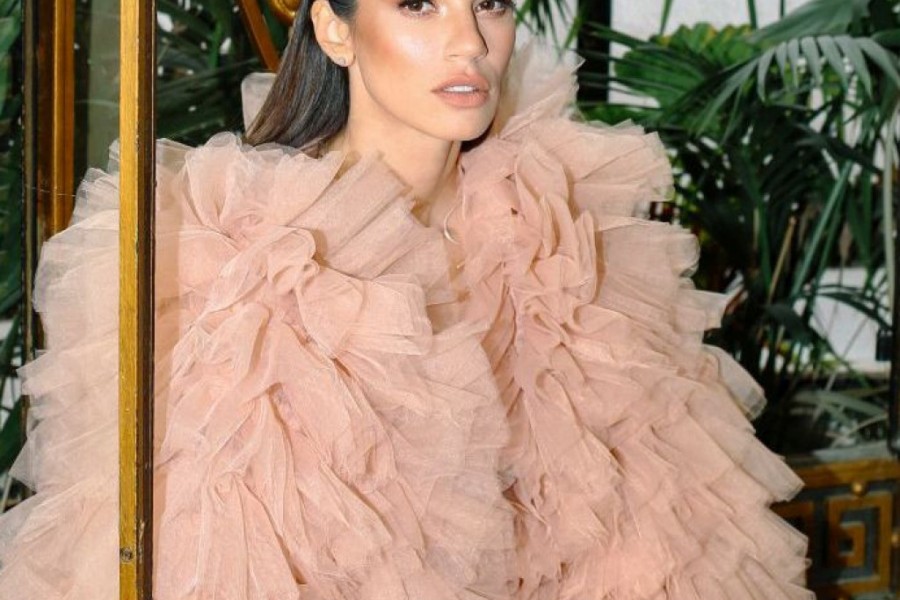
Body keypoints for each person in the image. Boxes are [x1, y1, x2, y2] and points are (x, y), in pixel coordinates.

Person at [0, 0, 815, 598]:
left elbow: (661, 535)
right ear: (335, 29)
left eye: (490, 3)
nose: (471, 43)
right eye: (420, 4)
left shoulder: (560, 232)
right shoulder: (246, 264)